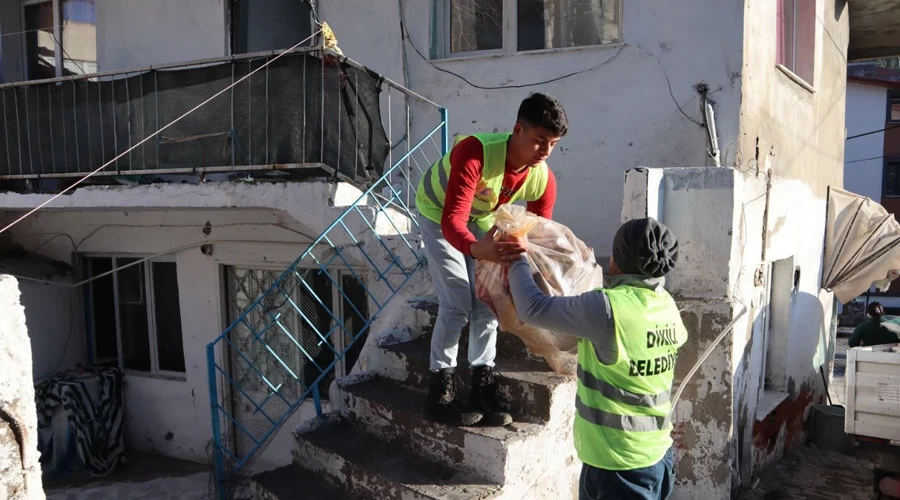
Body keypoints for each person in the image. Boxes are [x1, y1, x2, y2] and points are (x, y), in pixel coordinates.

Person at [414, 93, 568, 427]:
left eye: (553, 144)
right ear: (517, 130)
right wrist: (476, 250)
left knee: (488, 300)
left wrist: (524, 261)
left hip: (481, 219)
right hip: (437, 212)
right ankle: (441, 391)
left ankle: (481, 385)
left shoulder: (543, 179)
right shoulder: (475, 152)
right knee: (456, 299)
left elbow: (539, 234)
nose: (545, 152)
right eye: (540, 141)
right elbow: (452, 220)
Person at [507, 217, 686, 500]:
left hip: (619, 465)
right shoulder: (665, 304)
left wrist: (517, 257)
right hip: (654, 456)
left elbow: (532, 309)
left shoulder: (606, 309)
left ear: (619, 258)